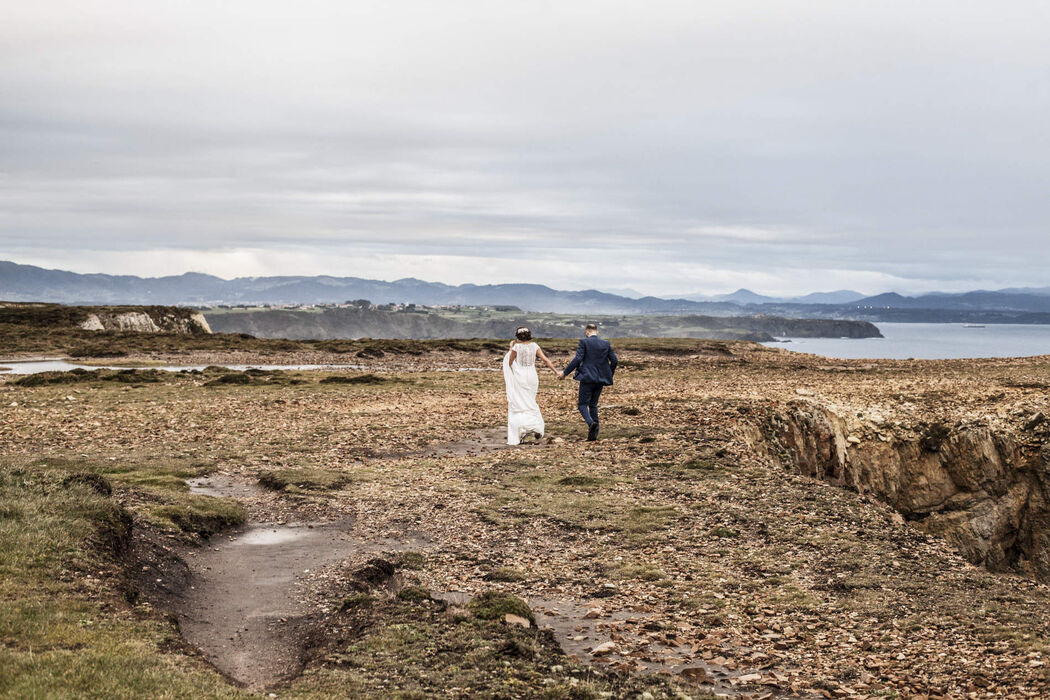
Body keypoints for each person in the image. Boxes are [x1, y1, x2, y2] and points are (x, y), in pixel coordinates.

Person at [560, 323, 618, 441]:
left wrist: (565, 373)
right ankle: (593, 435)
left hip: (587, 378)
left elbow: (578, 359)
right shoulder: (606, 343)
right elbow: (615, 361)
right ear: (597, 332)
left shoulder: (584, 342)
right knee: (593, 405)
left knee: (582, 404)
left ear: (587, 333)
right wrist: (608, 374)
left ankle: (591, 423)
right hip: (601, 379)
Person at [503, 326, 560, 445]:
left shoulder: (516, 347)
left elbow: (509, 363)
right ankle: (534, 426)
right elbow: (545, 360)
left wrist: (510, 348)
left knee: (521, 402)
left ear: (518, 337)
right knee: (531, 401)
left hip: (520, 376)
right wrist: (556, 372)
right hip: (532, 376)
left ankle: (523, 428)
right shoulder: (535, 346)